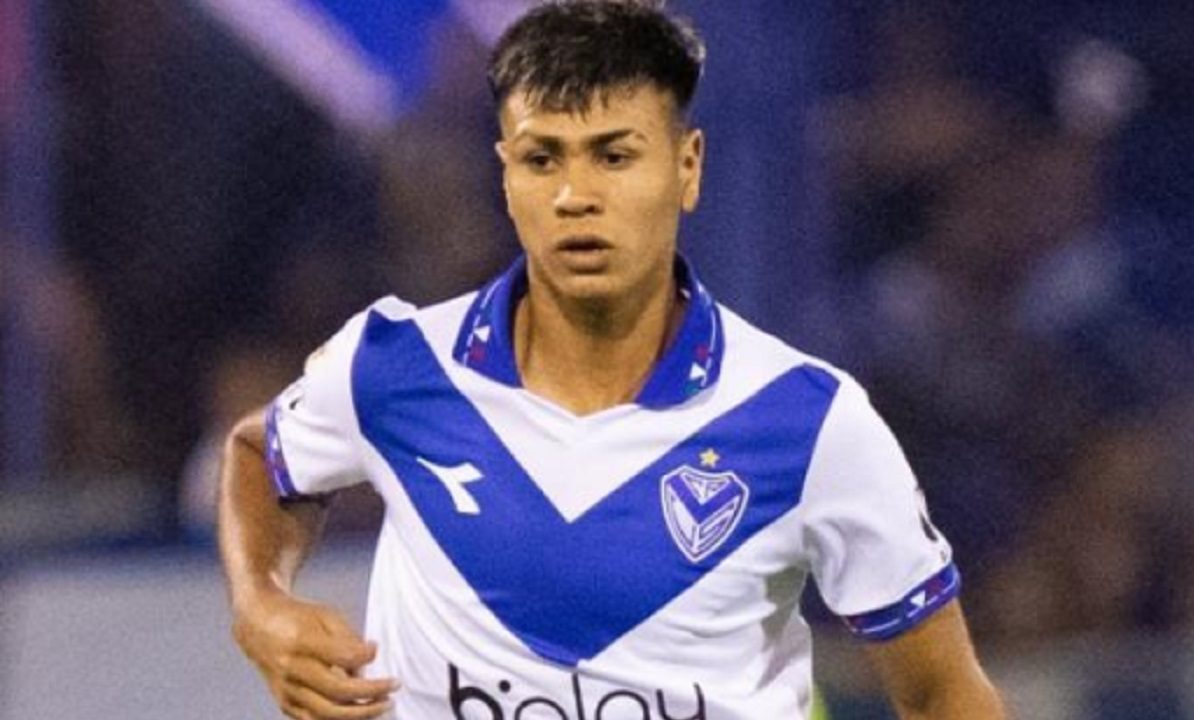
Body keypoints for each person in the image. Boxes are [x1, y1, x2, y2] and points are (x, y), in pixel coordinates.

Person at [218, 2, 1007, 718]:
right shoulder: (397, 365)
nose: (576, 197)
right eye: (543, 159)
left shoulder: (807, 420)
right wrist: (261, 605)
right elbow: (261, 455)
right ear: (507, 176)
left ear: (687, 168)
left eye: (614, 156)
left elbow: (944, 694)